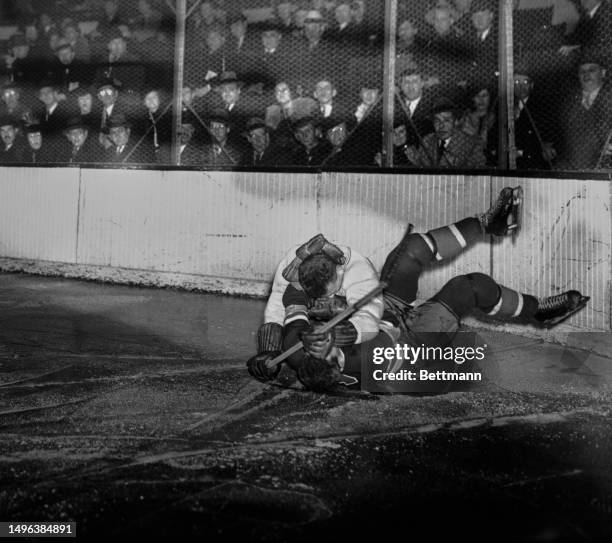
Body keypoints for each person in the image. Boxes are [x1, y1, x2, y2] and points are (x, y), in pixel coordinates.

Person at [246, 187, 590, 392]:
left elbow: (286, 300)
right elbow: (370, 327)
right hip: (412, 335)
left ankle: (489, 223)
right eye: (330, 354)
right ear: (339, 369)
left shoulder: (298, 345)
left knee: (411, 249)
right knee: (470, 287)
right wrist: (339, 334)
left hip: (386, 310)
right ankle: (539, 311)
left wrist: (268, 352)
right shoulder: (364, 362)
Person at [558, 54, 612, 170]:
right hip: (572, 170)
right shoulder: (569, 103)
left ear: (603, 73)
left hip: (604, 170)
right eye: (582, 71)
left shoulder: (609, 99)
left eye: (592, 70)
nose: (586, 75)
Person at [404, 98, 486, 168]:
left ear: (456, 121)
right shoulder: (426, 141)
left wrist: (459, 166)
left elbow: (480, 172)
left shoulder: (472, 144)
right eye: (437, 121)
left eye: (446, 120)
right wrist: (417, 162)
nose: (441, 126)